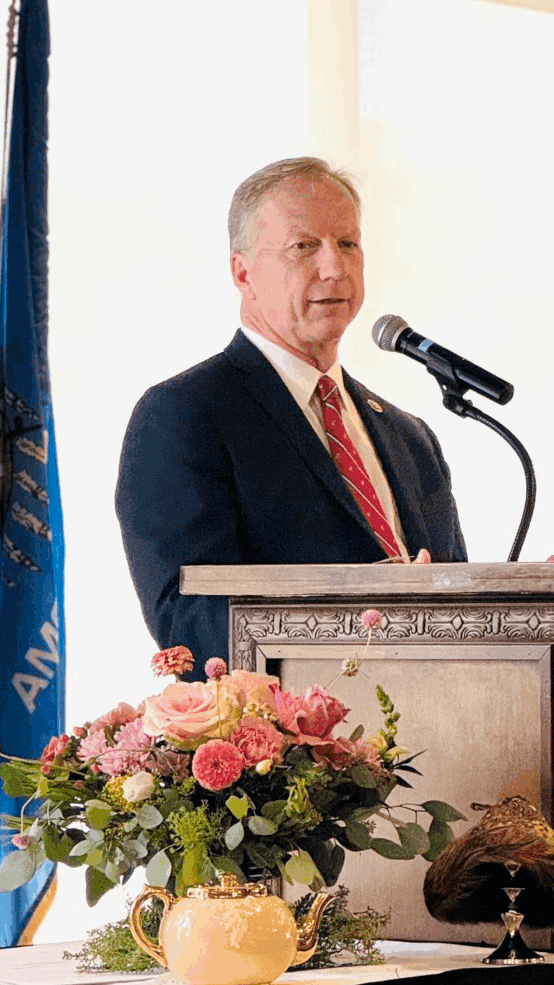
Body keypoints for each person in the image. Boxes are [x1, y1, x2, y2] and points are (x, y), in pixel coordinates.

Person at [115, 157, 467, 668]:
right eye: (305, 247)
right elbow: (190, 624)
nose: (335, 268)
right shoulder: (185, 414)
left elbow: (459, 608)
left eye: (348, 244)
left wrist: (527, 606)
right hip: (294, 739)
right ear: (243, 272)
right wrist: (363, 633)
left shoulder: (410, 437)